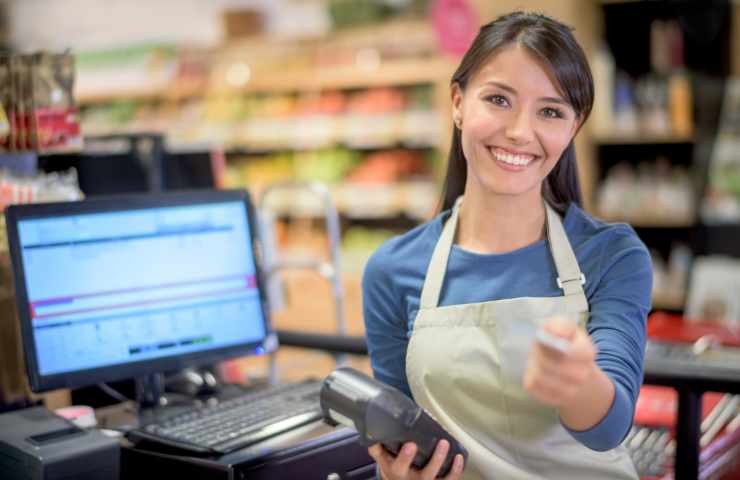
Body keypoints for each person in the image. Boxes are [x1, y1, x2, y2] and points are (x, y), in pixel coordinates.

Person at [362, 11, 652, 480]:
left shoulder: (612, 255)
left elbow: (608, 429)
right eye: (499, 99)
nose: (520, 131)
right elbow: (400, 439)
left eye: (551, 111)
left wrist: (578, 382)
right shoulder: (392, 270)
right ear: (457, 102)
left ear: (574, 128)